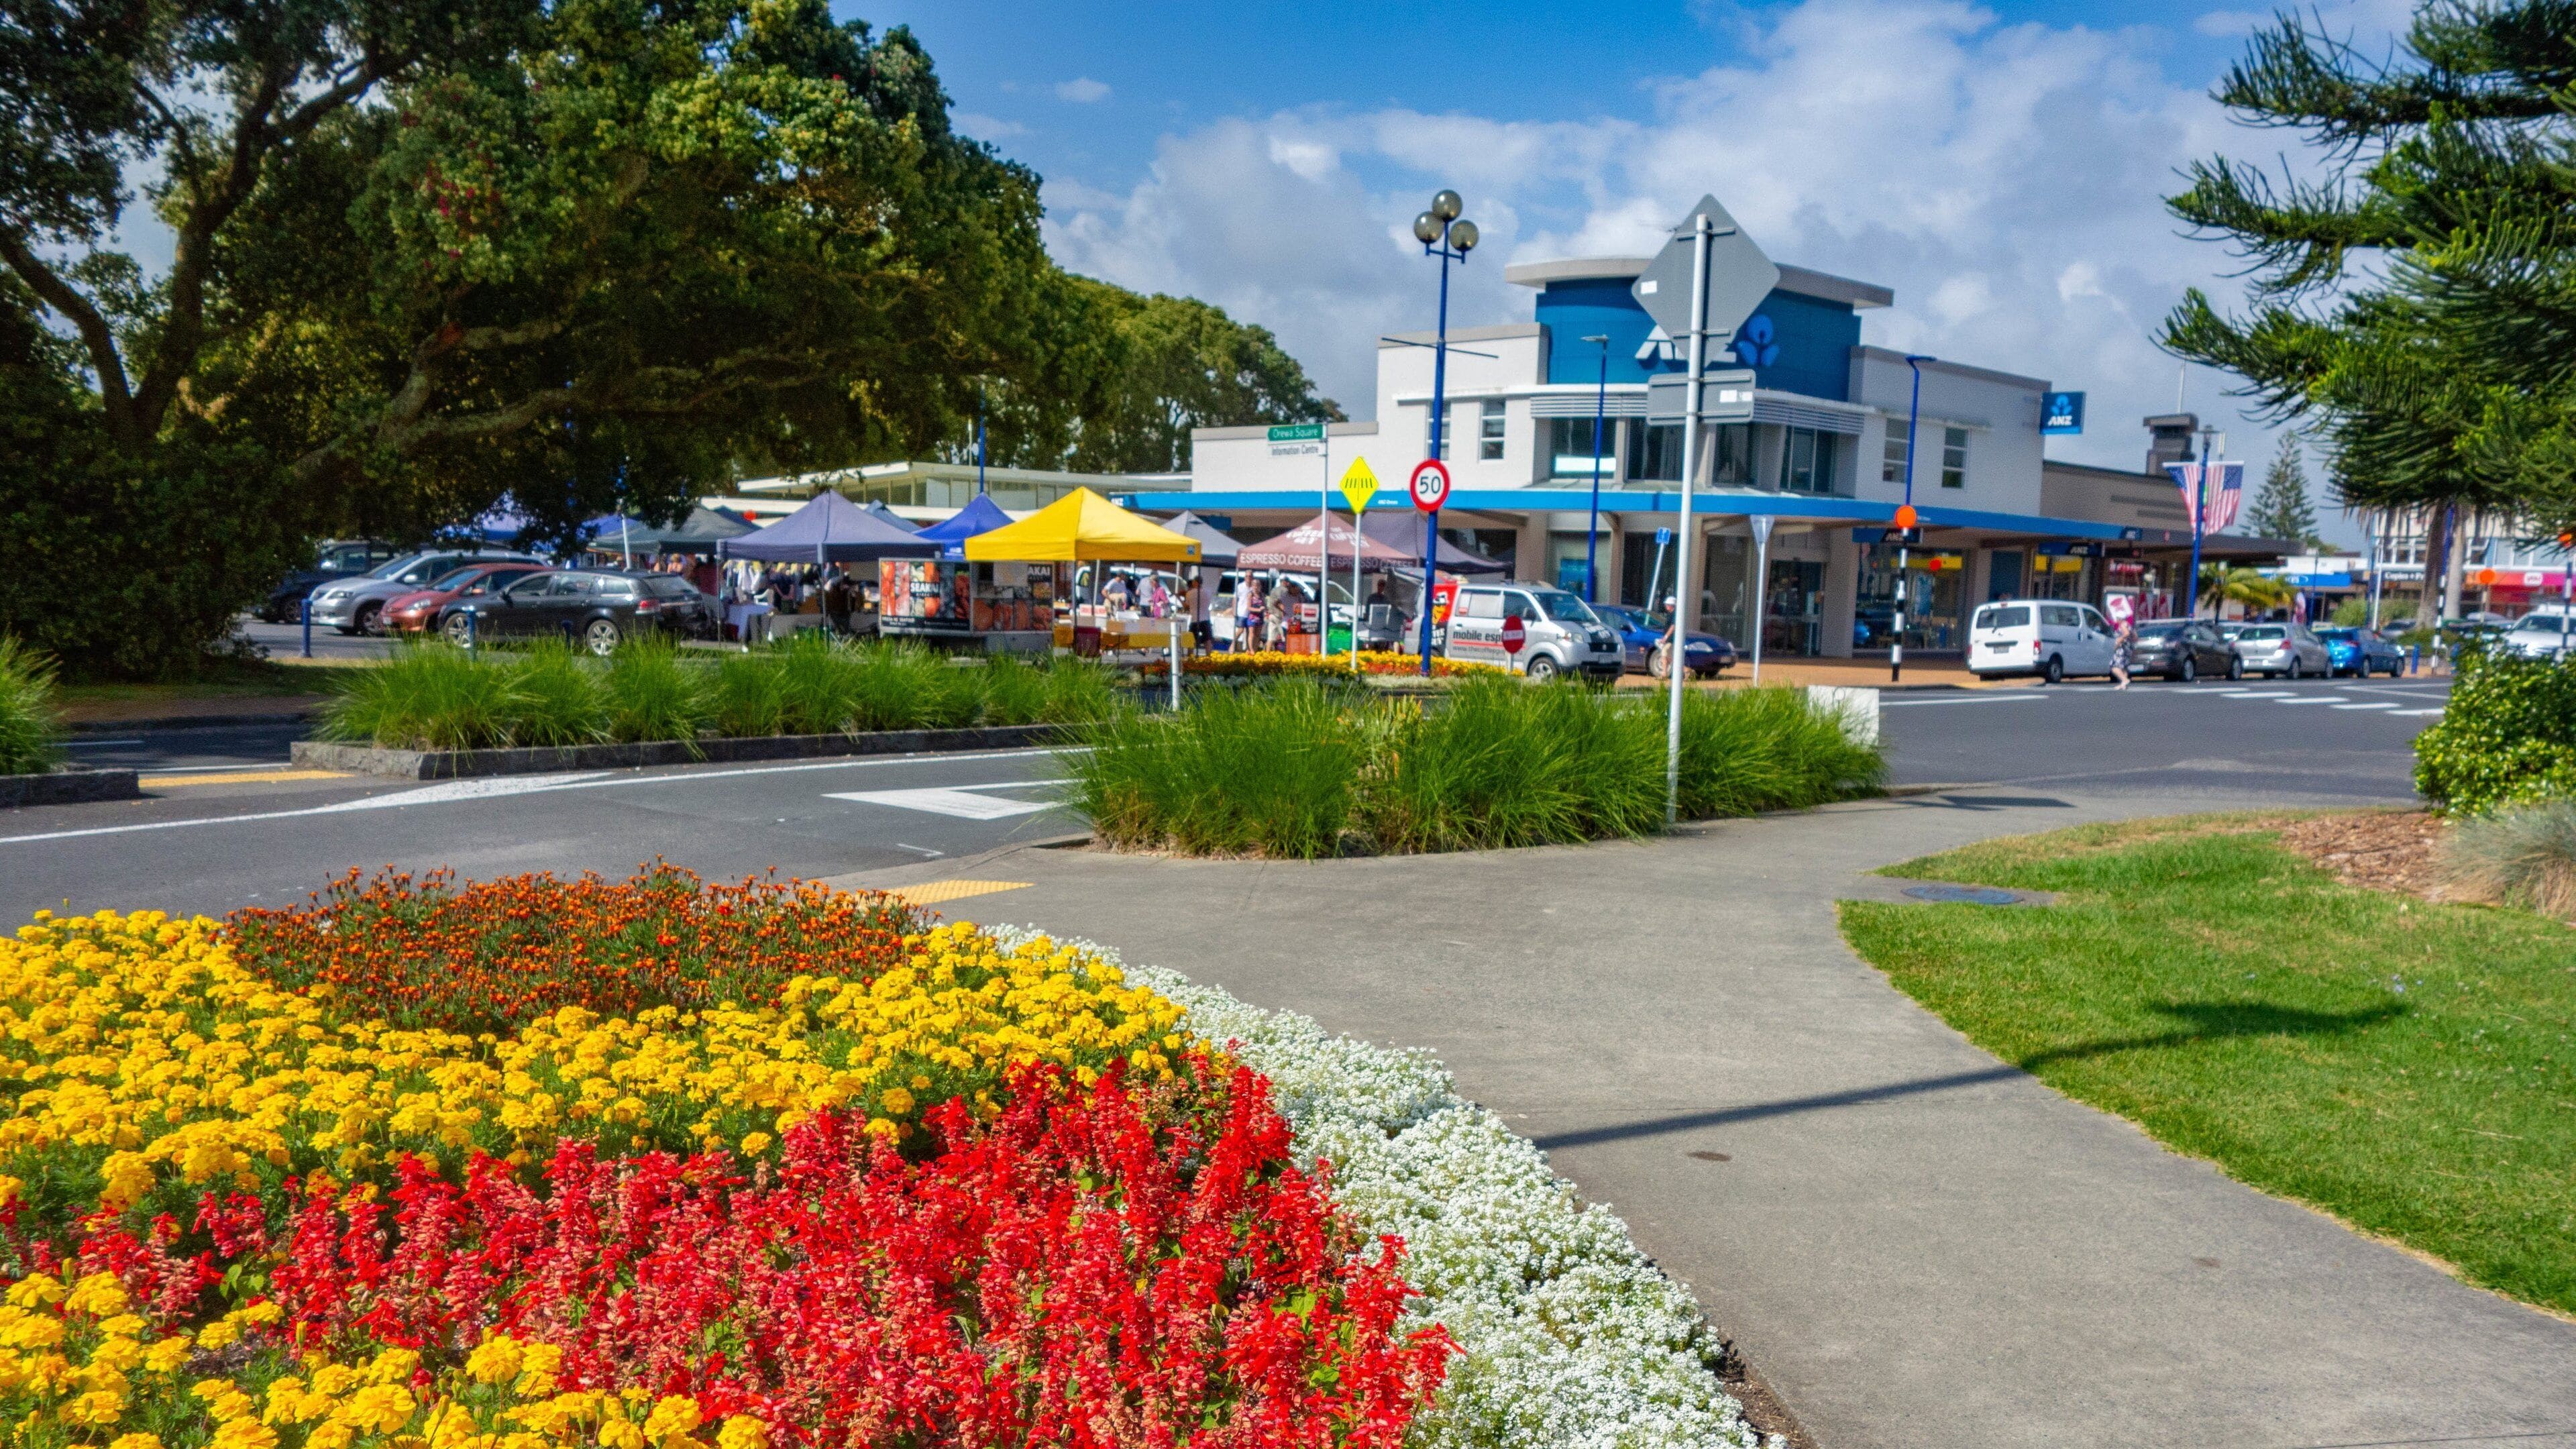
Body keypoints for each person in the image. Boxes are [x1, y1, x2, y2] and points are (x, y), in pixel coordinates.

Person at [1187, 570, 1213, 655]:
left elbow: (1187, 606)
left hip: (1194, 619)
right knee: (1207, 640)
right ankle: (1209, 658)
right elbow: (1209, 603)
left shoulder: (1189, 593)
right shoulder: (1207, 592)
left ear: (1195, 582)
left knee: (1191, 641)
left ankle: (1190, 659)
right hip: (1205, 618)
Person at [2110, 617, 2136, 690]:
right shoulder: (2129, 625)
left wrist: (2119, 641)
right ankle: (2123, 685)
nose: (2116, 620)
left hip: (2122, 648)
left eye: (2117, 619)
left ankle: (2125, 680)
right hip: (2129, 648)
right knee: (2124, 667)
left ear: (2120, 619)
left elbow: (2126, 634)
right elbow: (2136, 637)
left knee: (2114, 666)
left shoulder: (2123, 625)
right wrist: (2130, 642)